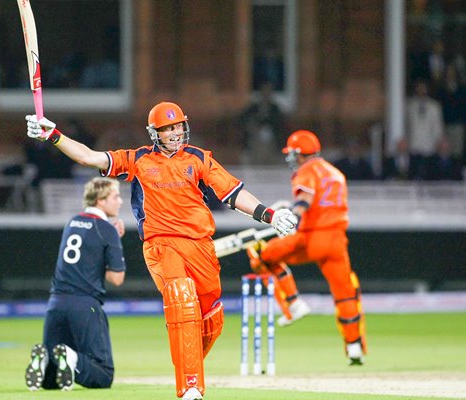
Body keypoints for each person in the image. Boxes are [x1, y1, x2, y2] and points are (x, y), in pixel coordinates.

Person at [25, 101, 297, 400]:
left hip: (201, 247)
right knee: (182, 299)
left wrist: (269, 214)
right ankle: (190, 386)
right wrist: (54, 136)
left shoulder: (199, 158)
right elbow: (90, 157)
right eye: (167, 128)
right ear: (155, 132)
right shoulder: (138, 160)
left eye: (178, 125)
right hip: (161, 244)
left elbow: (232, 193)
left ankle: (188, 364)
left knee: (211, 319)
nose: (175, 132)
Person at [245, 130, 367, 366]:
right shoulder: (336, 173)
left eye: (292, 154)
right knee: (345, 292)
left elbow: (305, 199)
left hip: (312, 238)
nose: (291, 158)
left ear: (300, 154)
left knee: (260, 253)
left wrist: (292, 215)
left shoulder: (307, 171)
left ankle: (293, 304)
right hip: (337, 240)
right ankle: (354, 348)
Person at [25, 177, 126, 391]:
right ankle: (70, 357)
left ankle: (45, 364)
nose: (120, 201)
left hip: (56, 304)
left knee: (53, 382)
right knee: (103, 374)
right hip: (85, 306)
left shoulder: (72, 222)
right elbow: (116, 278)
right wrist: (115, 241)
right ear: (100, 200)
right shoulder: (106, 230)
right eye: (115, 196)